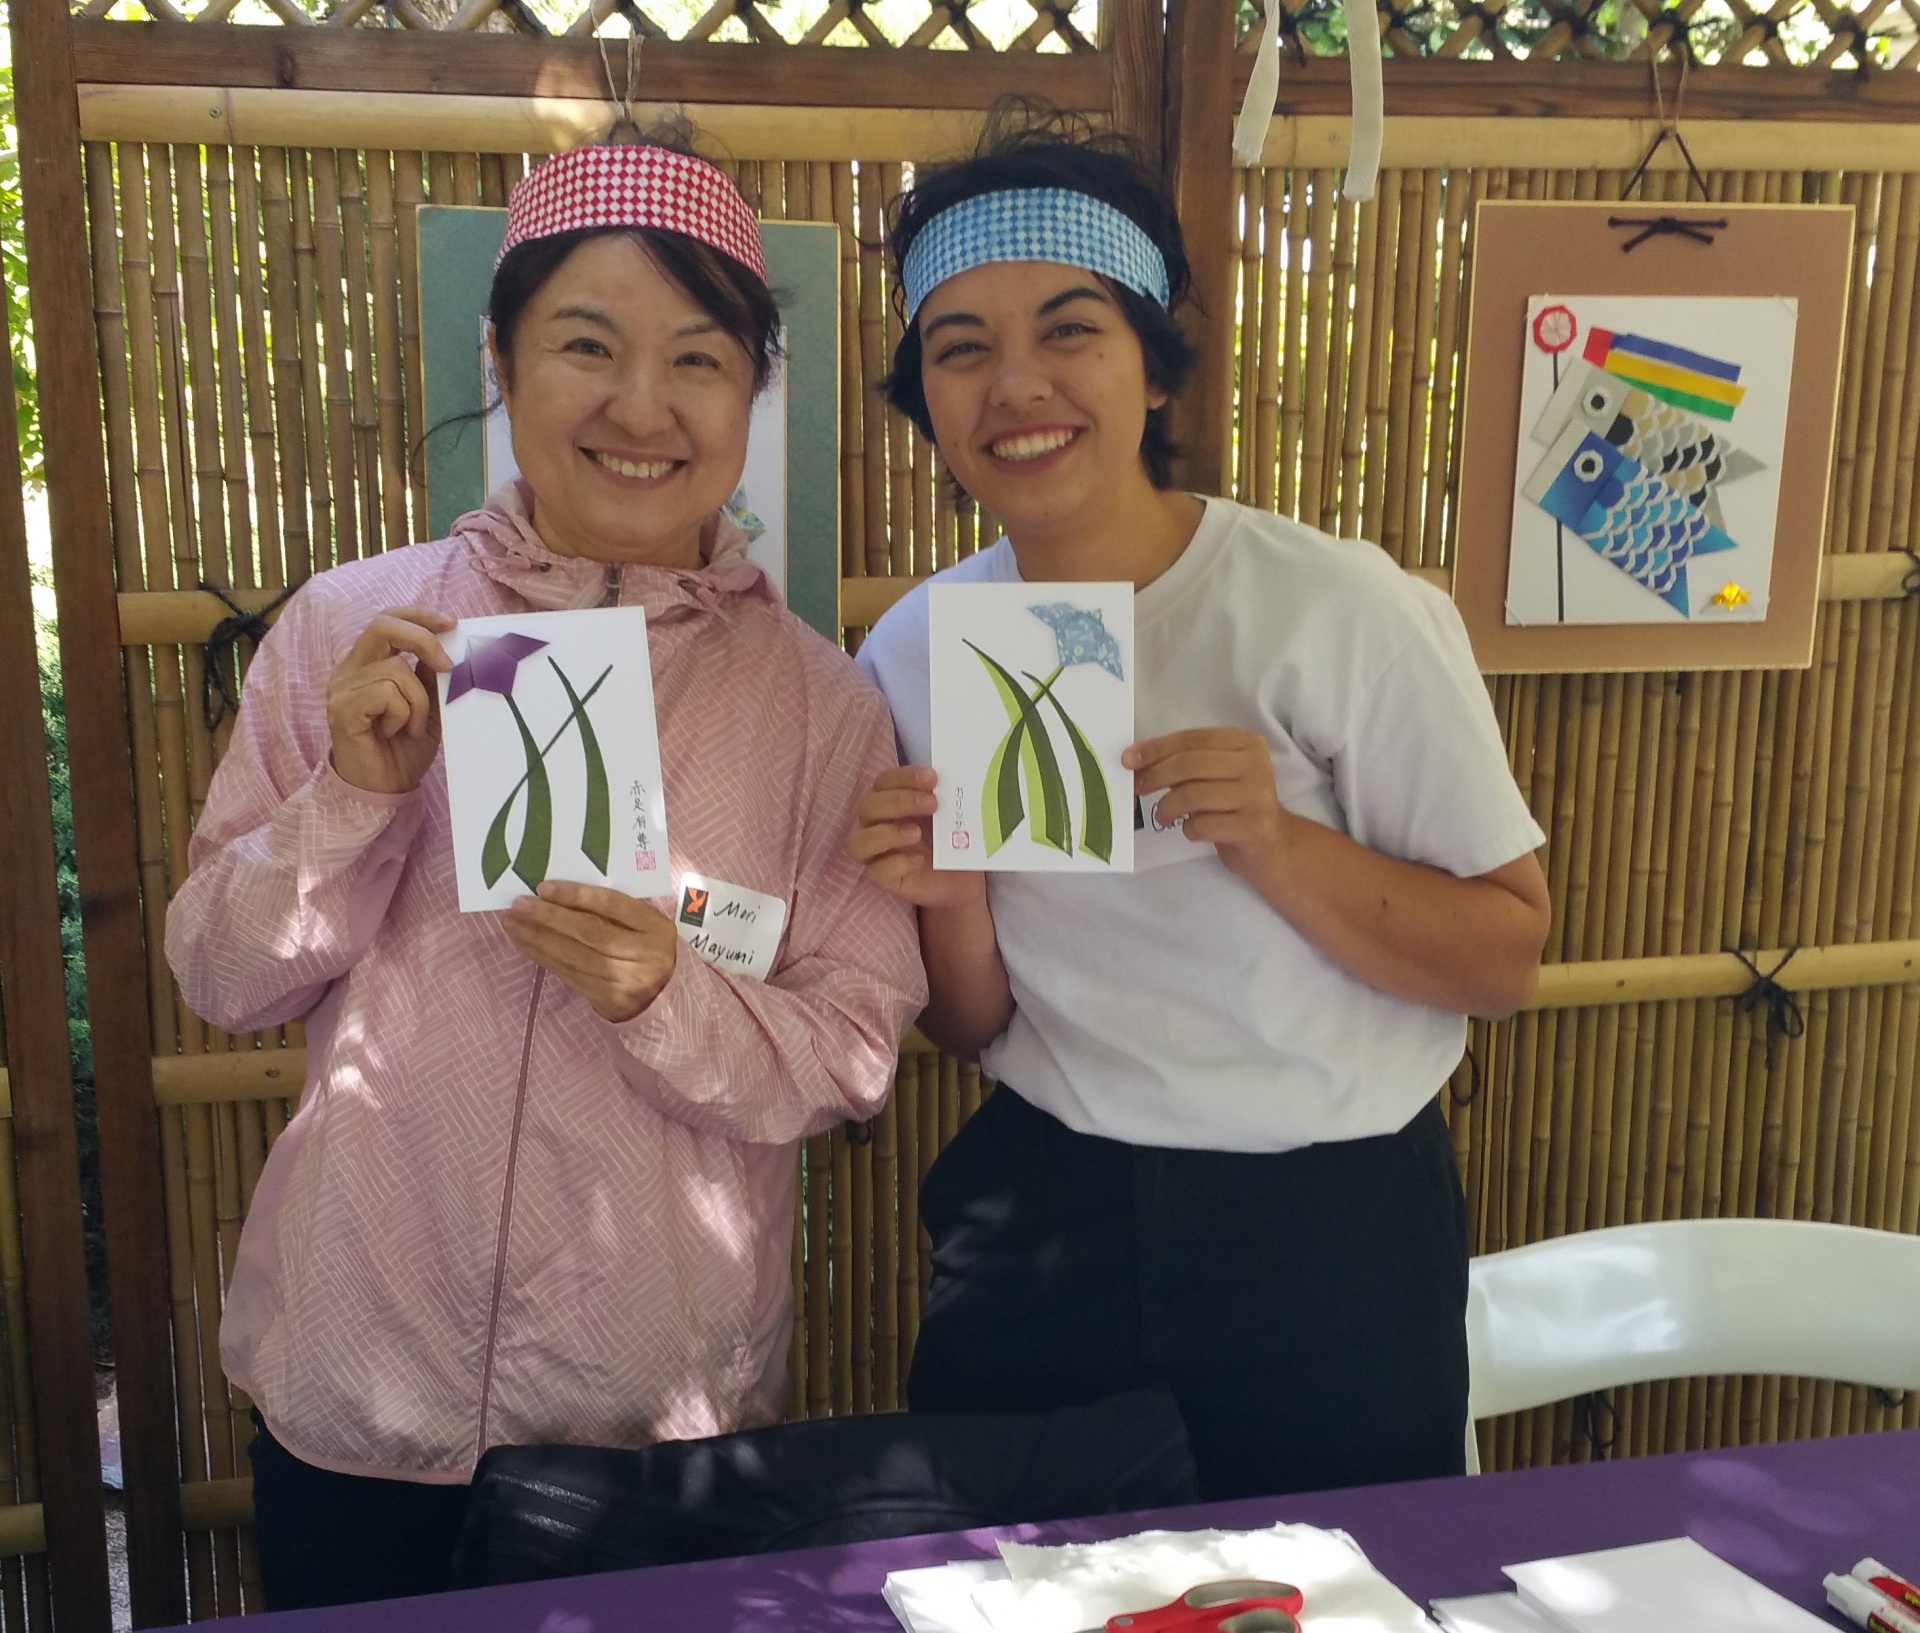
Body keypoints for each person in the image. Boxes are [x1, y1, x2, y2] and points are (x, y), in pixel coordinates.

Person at [166, 135, 924, 1610]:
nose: (642, 407)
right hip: (356, 1396)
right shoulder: (349, 631)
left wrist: (667, 992)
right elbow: (218, 972)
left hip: (651, 1424)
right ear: (502, 361)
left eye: (698, 359)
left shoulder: (819, 707)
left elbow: (851, 1044)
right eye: (587, 344)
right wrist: (353, 797)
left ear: (753, 391)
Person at [846, 109, 1552, 1502]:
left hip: (1327, 1230)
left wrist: (1278, 840)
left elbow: (1506, 954)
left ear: (1155, 368)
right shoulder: (920, 647)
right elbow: (971, 1022)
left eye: (1070, 330)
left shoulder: (1337, 605)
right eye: (961, 348)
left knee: (1340, 1588)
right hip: (1043, 1215)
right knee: (1009, 1592)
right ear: (924, 399)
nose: (1018, 386)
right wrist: (950, 901)